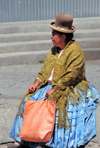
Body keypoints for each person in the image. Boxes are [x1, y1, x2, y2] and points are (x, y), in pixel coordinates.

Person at [8, 13, 99, 148]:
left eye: (54, 34)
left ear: (63, 36)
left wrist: (55, 89)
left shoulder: (75, 51)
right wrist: (37, 83)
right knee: (30, 100)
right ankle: (22, 139)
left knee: (58, 105)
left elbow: (72, 75)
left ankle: (46, 142)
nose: (51, 36)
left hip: (69, 86)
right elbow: (45, 70)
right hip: (49, 85)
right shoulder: (54, 50)